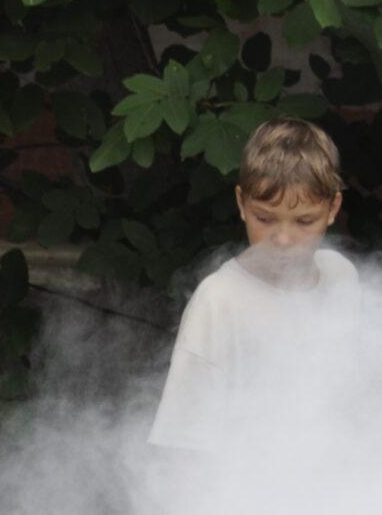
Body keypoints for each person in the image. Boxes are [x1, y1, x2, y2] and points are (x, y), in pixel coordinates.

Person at [150, 119, 361, 451]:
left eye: (305, 220)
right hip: (244, 496)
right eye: (265, 218)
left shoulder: (341, 277)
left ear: (333, 208)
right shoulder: (218, 301)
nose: (283, 238)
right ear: (241, 204)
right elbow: (182, 447)